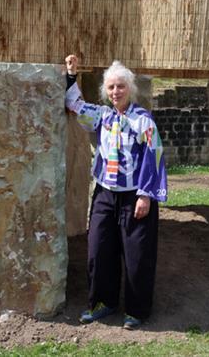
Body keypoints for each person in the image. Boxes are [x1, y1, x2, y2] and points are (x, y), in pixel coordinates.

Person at [64, 54, 168, 330]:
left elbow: (154, 155)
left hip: (136, 196)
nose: (115, 92)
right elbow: (74, 104)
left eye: (120, 86)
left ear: (130, 89)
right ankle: (102, 302)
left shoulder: (142, 120)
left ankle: (137, 310)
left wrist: (146, 194)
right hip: (105, 195)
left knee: (137, 255)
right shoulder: (103, 116)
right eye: (110, 87)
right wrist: (71, 75)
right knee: (99, 250)